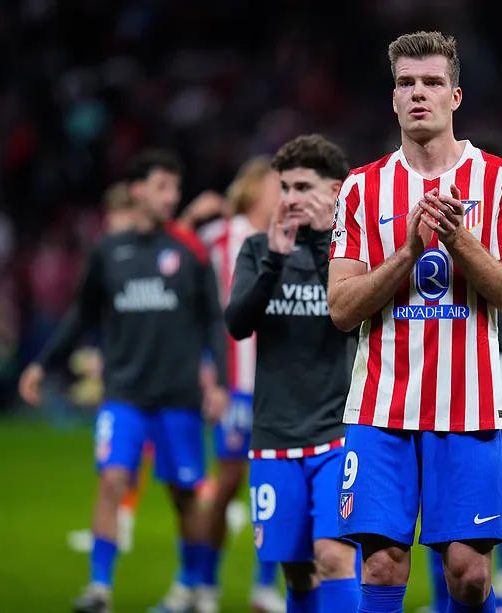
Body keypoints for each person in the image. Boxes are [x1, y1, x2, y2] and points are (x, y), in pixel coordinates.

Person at [327, 31, 502, 612]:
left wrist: (459, 242)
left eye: (432, 82)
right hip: (379, 407)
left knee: (468, 575)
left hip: (468, 405)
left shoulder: (499, 180)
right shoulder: (362, 188)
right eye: (406, 84)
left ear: (457, 96)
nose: (419, 94)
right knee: (382, 562)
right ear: (392, 99)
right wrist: (406, 256)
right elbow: (342, 309)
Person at [18, 149, 229, 613]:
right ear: (137, 190)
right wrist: (41, 364)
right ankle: (99, 589)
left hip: (178, 397)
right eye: (162, 186)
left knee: (184, 496)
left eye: (176, 188)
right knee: (112, 480)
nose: (171, 197)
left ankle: (189, 587)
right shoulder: (110, 251)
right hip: (124, 395)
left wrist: (220, 384)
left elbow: (214, 319)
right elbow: (80, 316)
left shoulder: (190, 250)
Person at [225, 134, 360, 612]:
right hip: (274, 434)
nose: (290, 199)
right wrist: (274, 263)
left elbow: (354, 321)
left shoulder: (354, 254)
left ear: (337, 190)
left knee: (334, 555)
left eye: (303, 187)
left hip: (338, 432)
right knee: (296, 568)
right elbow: (237, 324)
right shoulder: (259, 249)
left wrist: (326, 241)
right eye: (284, 188)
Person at [188, 157, 285, 612]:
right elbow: (190, 303)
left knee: (275, 486)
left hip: (278, 386)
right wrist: (208, 374)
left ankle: (264, 585)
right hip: (234, 386)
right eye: (274, 187)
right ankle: (202, 584)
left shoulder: (288, 240)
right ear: (250, 192)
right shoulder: (216, 240)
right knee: (225, 485)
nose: (282, 195)